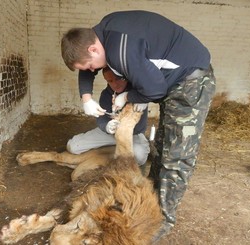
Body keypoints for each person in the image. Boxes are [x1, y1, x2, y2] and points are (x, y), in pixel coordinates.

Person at [61, 10, 216, 241]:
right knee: (163, 144)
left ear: (94, 49)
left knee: (178, 155)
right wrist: (86, 98)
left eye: (89, 66)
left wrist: (129, 97)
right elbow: (88, 67)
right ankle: (150, 192)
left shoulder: (121, 50)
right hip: (174, 83)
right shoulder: (102, 32)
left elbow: (155, 90)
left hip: (191, 83)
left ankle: (162, 219)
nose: (91, 71)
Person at [66, 67, 150, 171]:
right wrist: (107, 126)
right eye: (110, 81)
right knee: (73, 147)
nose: (115, 84)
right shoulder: (106, 95)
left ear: (125, 78)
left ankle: (114, 151)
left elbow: (138, 127)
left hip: (132, 136)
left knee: (139, 156)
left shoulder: (137, 94)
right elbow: (101, 119)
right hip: (110, 134)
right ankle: (112, 150)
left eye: (118, 79)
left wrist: (132, 99)